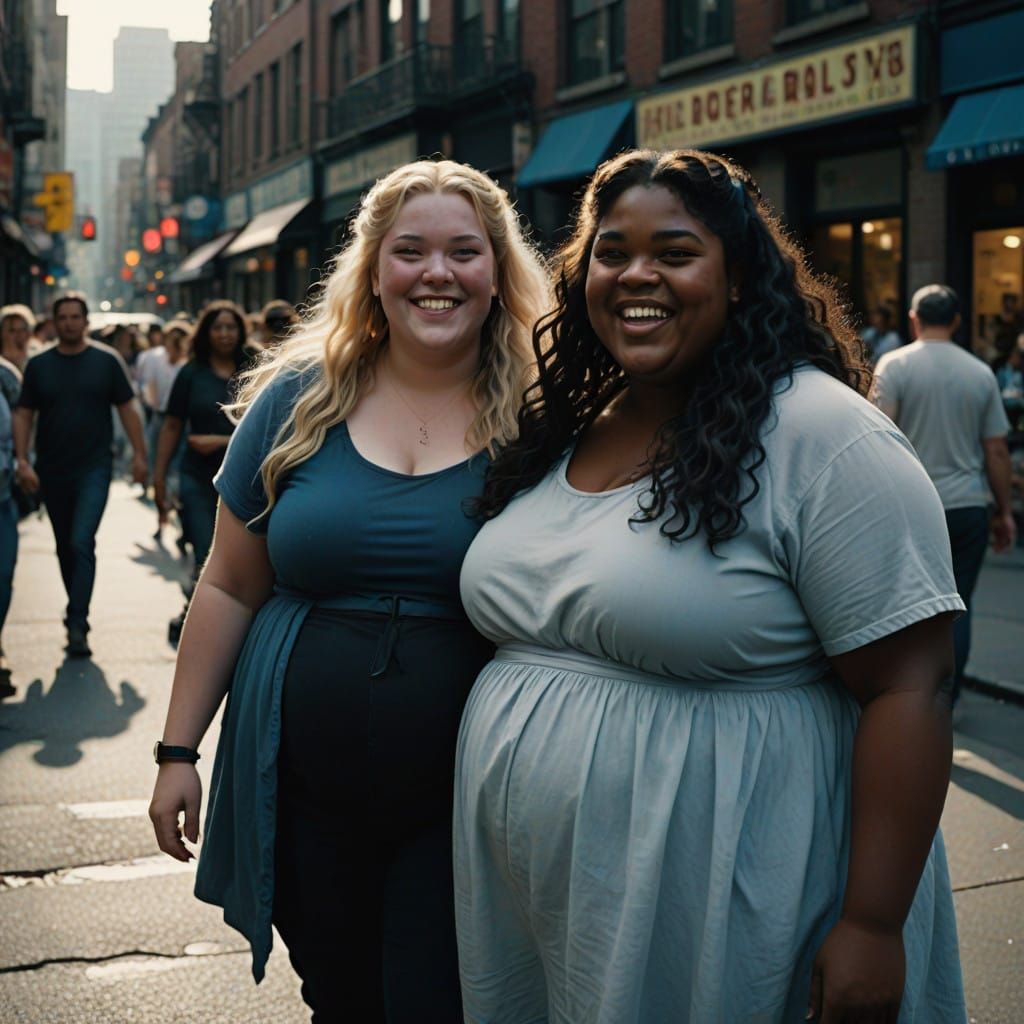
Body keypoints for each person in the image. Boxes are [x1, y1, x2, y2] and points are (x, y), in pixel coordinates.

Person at [455, 149, 967, 1023]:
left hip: (725, 896)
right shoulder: (576, 420)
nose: (636, 274)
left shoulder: (823, 434)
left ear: (738, 278)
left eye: (676, 251)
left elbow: (912, 686)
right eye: (611, 252)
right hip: (554, 909)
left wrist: (873, 924)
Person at [148, 159, 549, 1021]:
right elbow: (226, 583)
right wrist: (178, 752)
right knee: (339, 997)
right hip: (300, 785)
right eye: (410, 251)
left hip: (471, 800)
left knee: (432, 999)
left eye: (463, 251)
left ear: (497, 270)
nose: (436, 273)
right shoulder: (300, 395)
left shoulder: (546, 412)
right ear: (373, 270)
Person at [874, 285, 1015, 704]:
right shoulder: (979, 372)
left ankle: (907, 697)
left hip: (911, 506)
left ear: (914, 318)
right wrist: (1004, 510)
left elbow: (878, 436)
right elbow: (996, 449)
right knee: (959, 605)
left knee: (908, 606)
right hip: (967, 504)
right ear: (956, 321)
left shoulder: (894, 365)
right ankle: (945, 700)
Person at [12, 293, 147, 657]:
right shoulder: (40, 366)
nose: (70, 323)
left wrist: (140, 456)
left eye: (76, 316)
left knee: (81, 541)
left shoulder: (106, 362)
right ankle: (75, 608)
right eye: (64, 317)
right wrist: (22, 460)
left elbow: (128, 408)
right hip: (52, 470)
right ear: (54, 322)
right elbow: (24, 413)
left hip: (94, 468)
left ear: (86, 321)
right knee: (64, 546)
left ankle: (77, 621)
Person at [153, 303, 250, 643]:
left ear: (240, 332)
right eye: (217, 327)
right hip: (198, 478)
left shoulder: (256, 368)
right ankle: (206, 624)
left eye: (231, 327)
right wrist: (159, 477)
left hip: (248, 480)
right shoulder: (191, 373)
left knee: (243, 557)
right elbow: (172, 426)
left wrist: (220, 440)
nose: (225, 334)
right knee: (204, 551)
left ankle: (224, 617)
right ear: (206, 333)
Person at [0, 350, 21, 696]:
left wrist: (24, 463)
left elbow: (25, 420)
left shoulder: (6, 376)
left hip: (2, 495)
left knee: (3, 574)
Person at [0, 304, 35, 371]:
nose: (19, 335)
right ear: (2, 333)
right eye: (12, 330)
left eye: (23, 329)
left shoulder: (37, 362)